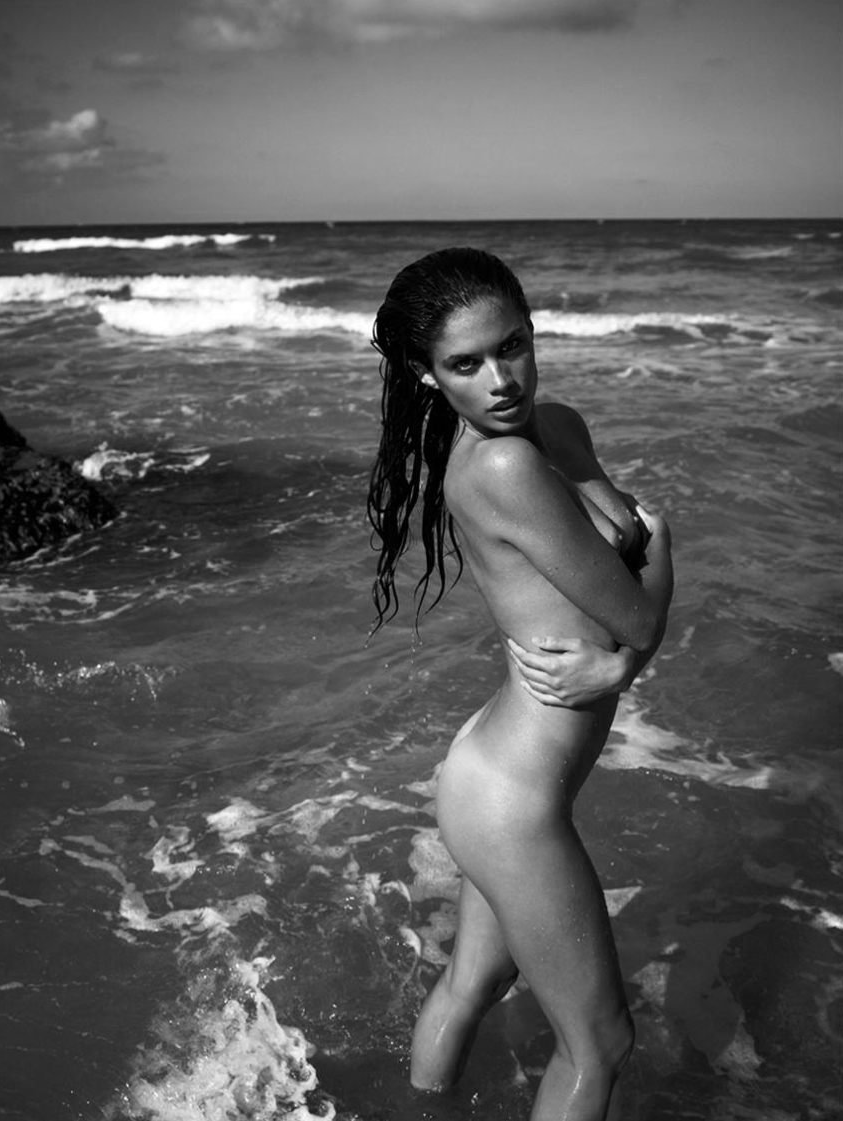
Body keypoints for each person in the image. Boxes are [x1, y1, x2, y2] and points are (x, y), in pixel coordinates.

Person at [367, 248, 673, 1121]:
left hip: (500, 767)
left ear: (534, 332)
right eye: (465, 364)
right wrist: (651, 583)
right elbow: (639, 608)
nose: (501, 381)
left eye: (512, 347)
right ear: (426, 375)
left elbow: (628, 597)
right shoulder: (500, 468)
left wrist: (626, 651)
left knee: (476, 982)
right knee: (600, 1045)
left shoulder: (560, 428)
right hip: (510, 803)